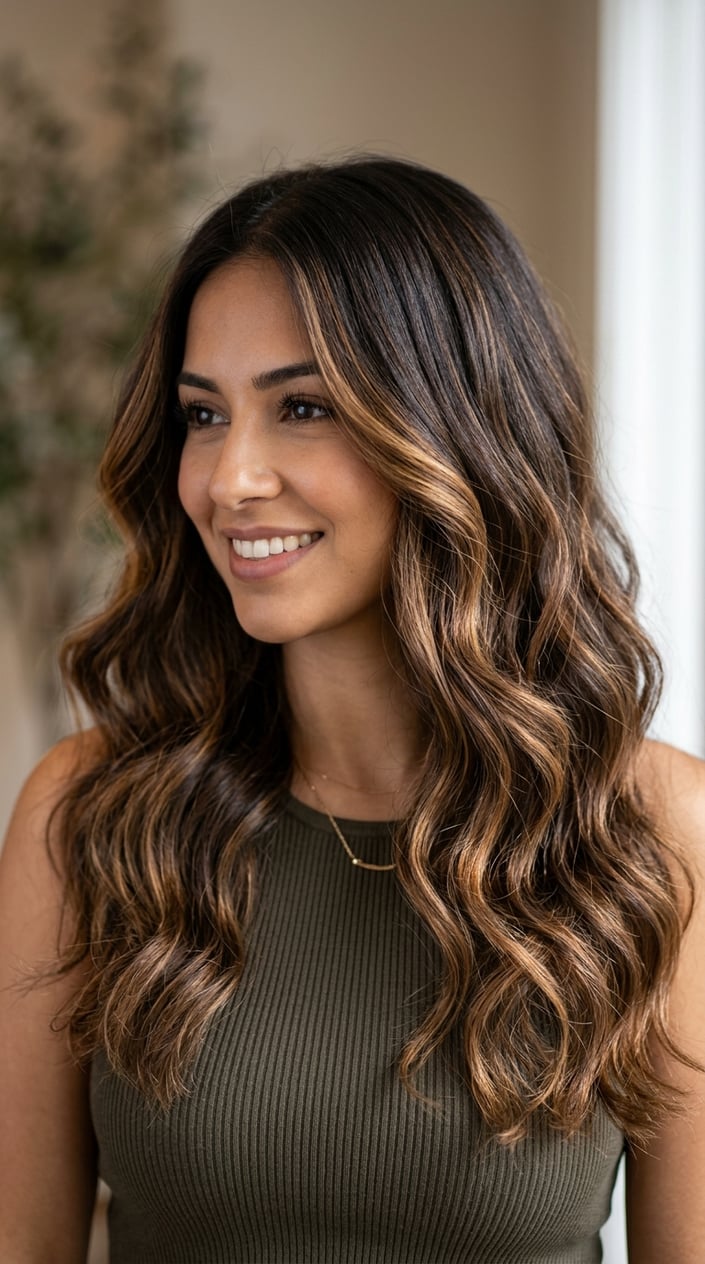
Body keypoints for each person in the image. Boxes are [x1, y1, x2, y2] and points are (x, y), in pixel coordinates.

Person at [0, 156, 703, 1264]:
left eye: (304, 407)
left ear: (457, 430)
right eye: (202, 414)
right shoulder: (89, 816)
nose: (230, 479)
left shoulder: (652, 828)